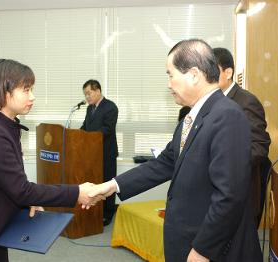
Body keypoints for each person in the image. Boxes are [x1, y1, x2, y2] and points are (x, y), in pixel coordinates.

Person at [88, 39, 262, 261]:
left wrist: (203, 250)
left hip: (212, 249)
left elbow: (230, 195)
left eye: (170, 75)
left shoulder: (227, 116)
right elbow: (164, 163)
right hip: (187, 238)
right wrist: (111, 186)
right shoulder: (192, 117)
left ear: (193, 74)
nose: (169, 84)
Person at [0, 59, 98, 262]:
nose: (32, 96)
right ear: (4, 91)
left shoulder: (5, 125)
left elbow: (7, 183)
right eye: (26, 90)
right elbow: (21, 189)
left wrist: (29, 199)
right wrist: (77, 192)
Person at [213, 47, 271, 228]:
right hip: (217, 190)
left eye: (212, 70)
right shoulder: (212, 101)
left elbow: (259, 148)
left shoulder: (246, 101)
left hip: (240, 191)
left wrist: (223, 164)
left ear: (228, 72)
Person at [80, 79, 118, 226]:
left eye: (89, 93)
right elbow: (85, 126)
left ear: (97, 91)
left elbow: (107, 129)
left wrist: (89, 137)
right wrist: (76, 135)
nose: (87, 97)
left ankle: (107, 214)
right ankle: (95, 211)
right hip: (92, 154)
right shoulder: (89, 108)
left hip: (106, 153)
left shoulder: (110, 107)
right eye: (85, 94)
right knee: (95, 183)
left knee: (107, 183)